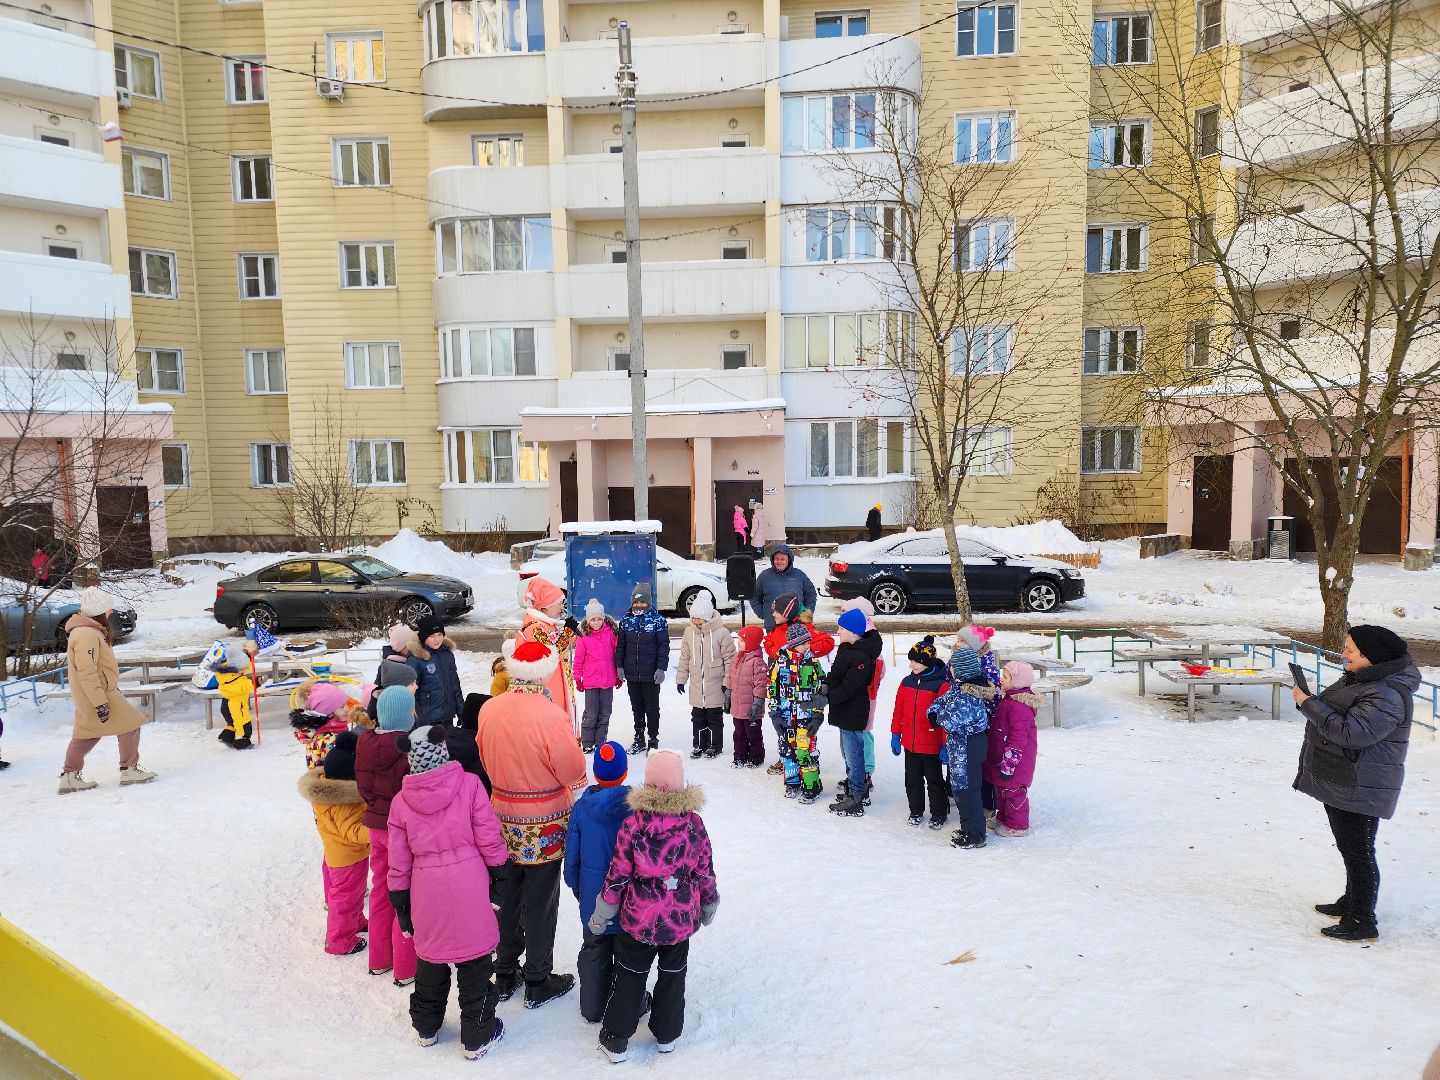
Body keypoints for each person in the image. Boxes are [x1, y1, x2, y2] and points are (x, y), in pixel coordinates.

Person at [474, 638, 588, 1007]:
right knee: (541, 900)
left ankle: (505, 971)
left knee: (508, 894)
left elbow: (483, 756)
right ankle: (538, 978)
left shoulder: (490, 709)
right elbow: (571, 768)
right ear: (544, 672)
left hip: (501, 814)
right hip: (545, 821)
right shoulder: (548, 713)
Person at [388, 725, 510, 1059]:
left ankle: (426, 1027)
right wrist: (500, 870)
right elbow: (488, 834)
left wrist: (399, 895)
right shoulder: (469, 785)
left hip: (427, 890)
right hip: (470, 882)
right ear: (442, 749)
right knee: (475, 962)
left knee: (431, 958)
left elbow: (398, 858)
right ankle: (478, 1034)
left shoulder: (401, 803)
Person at [1291, 624, 1417, 943]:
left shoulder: (1386, 693)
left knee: (1359, 851)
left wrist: (1308, 703)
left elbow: (1352, 733)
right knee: (1351, 848)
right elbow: (1337, 710)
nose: (1343, 653)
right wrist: (1309, 701)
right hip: (1346, 779)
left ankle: (1362, 919)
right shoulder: (1362, 678)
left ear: (1371, 658)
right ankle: (1352, 901)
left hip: (1361, 784)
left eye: (1351, 650)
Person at [592, 750, 718, 1063]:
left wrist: (604, 909)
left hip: (640, 920)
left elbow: (618, 874)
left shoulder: (633, 825)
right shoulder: (694, 825)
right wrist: (709, 903)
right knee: (673, 974)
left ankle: (617, 1038)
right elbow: (704, 869)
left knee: (631, 975)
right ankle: (667, 1033)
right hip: (679, 919)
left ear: (648, 783)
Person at [563, 742, 635, 1024]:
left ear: (595, 773)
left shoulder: (582, 809)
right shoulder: (636, 808)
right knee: (628, 953)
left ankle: (592, 1008)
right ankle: (630, 1002)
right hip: (629, 896)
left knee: (594, 948)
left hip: (593, 897)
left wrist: (576, 886)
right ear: (626, 772)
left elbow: (572, 856)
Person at [58, 589, 155, 794]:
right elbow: (87, 671)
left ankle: (69, 776)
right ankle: (129, 769)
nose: (110, 612)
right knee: (130, 724)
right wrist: (100, 702)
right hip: (99, 693)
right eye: (107, 608)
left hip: (97, 691)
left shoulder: (88, 631)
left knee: (87, 733)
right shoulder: (86, 634)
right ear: (99, 611)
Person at [356, 685, 420, 987]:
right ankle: (406, 966)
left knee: (381, 888)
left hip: (375, 825)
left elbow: (364, 786)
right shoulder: (409, 747)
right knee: (405, 894)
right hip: (402, 830)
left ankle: (379, 958)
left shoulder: (365, 742)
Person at [299, 730, 369, 957]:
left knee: (353, 894)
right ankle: (339, 940)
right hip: (347, 856)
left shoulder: (326, 792)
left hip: (343, 854)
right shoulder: (343, 803)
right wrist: (378, 826)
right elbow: (354, 832)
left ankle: (356, 921)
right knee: (345, 898)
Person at [929, 645, 992, 849]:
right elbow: (940, 702)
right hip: (960, 748)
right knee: (960, 788)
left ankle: (975, 834)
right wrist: (935, 711)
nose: (950, 669)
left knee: (967, 790)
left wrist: (936, 716)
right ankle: (969, 828)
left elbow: (947, 719)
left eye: (953, 666)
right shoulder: (960, 688)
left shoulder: (968, 696)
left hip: (969, 747)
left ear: (962, 670)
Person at [891, 636, 951, 829]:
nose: (911, 664)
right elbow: (898, 710)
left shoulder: (941, 686)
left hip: (931, 744)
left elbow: (944, 720)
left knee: (934, 781)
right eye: (910, 660)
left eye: (915, 661)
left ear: (926, 663)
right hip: (910, 743)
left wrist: (945, 744)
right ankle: (915, 810)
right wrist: (895, 733)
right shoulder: (906, 682)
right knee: (912, 780)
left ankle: (939, 813)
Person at [769, 622, 828, 803]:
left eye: (808, 642)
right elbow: (773, 687)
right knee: (787, 751)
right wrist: (774, 713)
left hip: (806, 717)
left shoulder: (813, 663)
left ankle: (811, 787)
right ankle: (792, 783)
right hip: (786, 717)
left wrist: (817, 713)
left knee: (805, 751)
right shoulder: (780, 663)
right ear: (793, 644)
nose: (808, 646)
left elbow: (821, 689)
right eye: (804, 643)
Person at [827, 608, 877, 818]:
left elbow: (849, 688)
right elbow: (837, 675)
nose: (838, 631)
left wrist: (827, 696)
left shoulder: (861, 657)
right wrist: (825, 685)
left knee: (854, 754)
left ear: (854, 632)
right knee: (847, 752)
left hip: (853, 711)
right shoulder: (845, 649)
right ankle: (855, 787)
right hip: (844, 710)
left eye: (841, 628)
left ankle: (856, 795)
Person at [983, 661, 1040, 838]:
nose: (1001, 679)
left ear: (1017, 681)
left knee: (1013, 791)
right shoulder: (1008, 699)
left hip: (1016, 761)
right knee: (1001, 789)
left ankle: (1018, 825)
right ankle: (1004, 817)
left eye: (1006, 676)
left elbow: (1017, 739)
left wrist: (1009, 764)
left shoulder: (1019, 706)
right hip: (1003, 756)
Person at [675, 592, 735, 759]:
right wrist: (681, 679)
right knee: (698, 717)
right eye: (693, 618)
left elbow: (730, 659)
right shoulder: (689, 632)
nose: (695, 621)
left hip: (715, 683)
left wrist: (726, 681)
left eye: (698, 618)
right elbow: (685, 656)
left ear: (707, 618)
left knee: (714, 717)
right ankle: (699, 744)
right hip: (696, 684)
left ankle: (715, 745)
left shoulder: (721, 633)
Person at [614, 583, 669, 755]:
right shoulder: (626, 621)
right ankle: (639, 736)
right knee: (636, 707)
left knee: (652, 707)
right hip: (632, 673)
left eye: (643, 602)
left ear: (649, 602)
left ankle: (653, 738)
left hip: (651, 674)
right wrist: (620, 666)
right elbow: (621, 646)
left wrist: (661, 668)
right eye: (636, 602)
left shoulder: (658, 621)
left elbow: (663, 646)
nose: (639, 605)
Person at [839, 597, 884, 792]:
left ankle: (864, 773)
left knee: (862, 734)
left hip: (864, 697)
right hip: (855, 698)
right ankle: (854, 773)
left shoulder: (868, 643)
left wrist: (866, 685)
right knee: (851, 737)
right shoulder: (857, 638)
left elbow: (878, 670)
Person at [517, 577, 577, 721]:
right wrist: (568, 632)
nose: (562, 608)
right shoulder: (534, 627)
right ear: (546, 606)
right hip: (548, 685)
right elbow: (551, 653)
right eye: (558, 604)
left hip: (557, 681)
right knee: (553, 720)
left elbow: (559, 642)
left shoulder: (548, 623)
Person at [573, 599, 622, 752]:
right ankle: (587, 742)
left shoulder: (611, 634)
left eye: (599, 619)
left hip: (608, 680)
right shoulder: (583, 637)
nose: (596, 622)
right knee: (591, 713)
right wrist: (577, 678)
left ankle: (600, 741)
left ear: (603, 619)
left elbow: (617, 655)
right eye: (593, 619)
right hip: (591, 681)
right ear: (588, 620)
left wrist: (619, 675)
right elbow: (579, 659)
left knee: (605, 712)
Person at [411, 617, 464, 727]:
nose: (437, 639)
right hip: (427, 719)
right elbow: (410, 692)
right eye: (432, 636)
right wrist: (418, 718)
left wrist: (461, 711)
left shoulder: (447, 655)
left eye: (440, 635)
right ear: (423, 637)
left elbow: (455, 685)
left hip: (448, 716)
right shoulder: (416, 659)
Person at [728, 625, 768, 768]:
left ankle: (756, 757)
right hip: (738, 706)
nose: (738, 643)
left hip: (751, 709)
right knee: (738, 734)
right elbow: (730, 678)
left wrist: (757, 703)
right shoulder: (737, 659)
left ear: (751, 643)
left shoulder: (757, 662)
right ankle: (739, 756)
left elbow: (761, 685)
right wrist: (728, 694)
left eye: (741, 640)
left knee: (753, 734)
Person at [750, 545, 817, 631]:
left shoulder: (799, 575)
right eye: (776, 559)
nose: (779, 562)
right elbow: (754, 597)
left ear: (788, 560)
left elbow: (810, 593)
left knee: (798, 645)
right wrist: (763, 614)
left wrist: (808, 611)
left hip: (797, 624)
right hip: (773, 625)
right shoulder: (764, 576)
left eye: (782, 559)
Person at [290, 679, 354, 768]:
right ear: (328, 712)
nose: (347, 709)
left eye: (346, 704)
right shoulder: (328, 739)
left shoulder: (328, 730)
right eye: (342, 707)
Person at [762, 592, 834, 660]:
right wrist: (778, 653)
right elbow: (768, 643)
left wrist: (803, 650)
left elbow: (828, 642)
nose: (773, 614)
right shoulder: (778, 628)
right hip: (782, 670)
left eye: (777, 611)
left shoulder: (803, 629)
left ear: (788, 614)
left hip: (801, 671)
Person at [957, 625, 1001, 718]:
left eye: (962, 641)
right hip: (962, 709)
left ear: (975, 646)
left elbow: (992, 694)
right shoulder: (958, 658)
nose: (957, 644)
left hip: (980, 714)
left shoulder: (986, 668)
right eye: (957, 640)